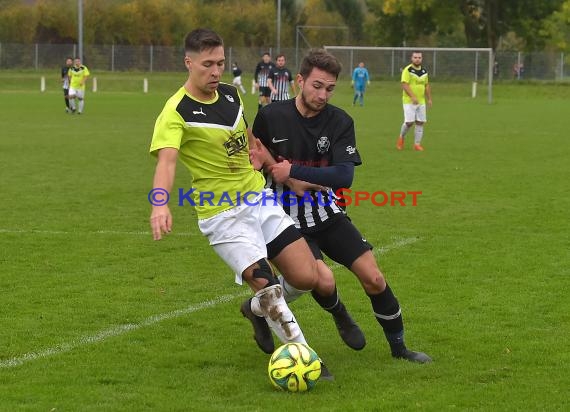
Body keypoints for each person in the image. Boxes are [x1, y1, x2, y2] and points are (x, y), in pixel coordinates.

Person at [149, 29, 363, 378]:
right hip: (223, 214)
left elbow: (249, 142)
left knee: (307, 276)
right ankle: (305, 359)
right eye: (207, 65)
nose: (216, 71)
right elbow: (167, 161)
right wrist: (160, 203)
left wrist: (279, 170)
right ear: (188, 63)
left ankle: (254, 309)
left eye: (220, 63)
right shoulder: (176, 111)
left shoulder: (232, 96)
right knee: (268, 283)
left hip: (259, 200)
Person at [250, 48, 432, 363]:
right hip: (283, 217)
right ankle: (340, 315)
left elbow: (344, 175)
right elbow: (258, 155)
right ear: (300, 81)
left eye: (330, 88)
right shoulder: (270, 116)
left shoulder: (339, 121)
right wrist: (266, 169)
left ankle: (400, 349)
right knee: (322, 277)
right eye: (317, 86)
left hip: (327, 211)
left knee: (374, 277)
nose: (323, 95)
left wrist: (294, 172)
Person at [396, 51, 432, 151]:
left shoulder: (424, 72)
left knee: (420, 122)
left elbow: (426, 85)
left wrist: (429, 99)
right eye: (415, 57)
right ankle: (401, 138)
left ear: (422, 59)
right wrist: (412, 96)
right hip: (408, 101)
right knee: (409, 122)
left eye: (419, 57)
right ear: (412, 58)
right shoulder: (408, 70)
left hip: (421, 101)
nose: (417, 59)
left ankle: (417, 144)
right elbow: (404, 84)